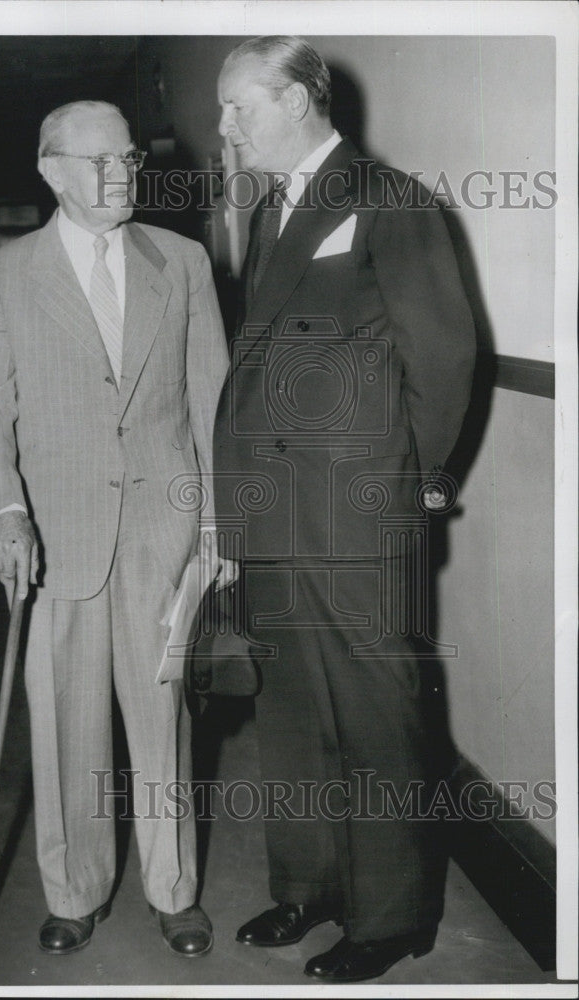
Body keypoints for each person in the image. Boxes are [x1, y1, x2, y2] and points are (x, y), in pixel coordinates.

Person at [212, 37, 476, 983]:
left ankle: (393, 917)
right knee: (293, 718)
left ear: (296, 100)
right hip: (277, 517)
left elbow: (442, 362)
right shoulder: (274, 208)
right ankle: (312, 889)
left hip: (357, 516)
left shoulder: (393, 200)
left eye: (239, 105)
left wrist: (413, 489)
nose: (224, 127)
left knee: (375, 720)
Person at [0, 100, 235, 958]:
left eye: (129, 161)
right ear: (50, 169)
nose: (121, 177)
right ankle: (75, 888)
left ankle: (173, 888)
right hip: (54, 535)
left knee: (162, 721)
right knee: (66, 722)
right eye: (99, 161)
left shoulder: (180, 261)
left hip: (164, 529)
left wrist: (217, 526)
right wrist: (3, 511)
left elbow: (211, 397)